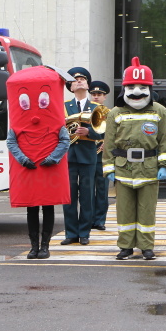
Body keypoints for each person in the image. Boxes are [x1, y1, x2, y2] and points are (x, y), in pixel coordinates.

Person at [103, 57, 166, 260]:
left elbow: (165, 142)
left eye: (142, 86)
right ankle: (125, 246)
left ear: (149, 88)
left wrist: (165, 164)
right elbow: (108, 144)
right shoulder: (115, 113)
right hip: (123, 168)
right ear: (124, 88)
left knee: (147, 211)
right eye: (131, 86)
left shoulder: (160, 111)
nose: (136, 91)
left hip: (149, 168)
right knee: (124, 210)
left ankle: (146, 246)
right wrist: (108, 168)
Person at [5, 66, 71, 260]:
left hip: (47, 166)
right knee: (31, 207)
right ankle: (34, 246)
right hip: (30, 166)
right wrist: (23, 159)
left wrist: (53, 158)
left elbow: (64, 141)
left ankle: (45, 246)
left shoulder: (57, 123)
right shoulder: (16, 124)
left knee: (48, 206)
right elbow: (11, 141)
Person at [61, 67, 102, 246]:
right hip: (68, 157)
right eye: (75, 79)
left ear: (88, 84)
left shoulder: (96, 107)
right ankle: (71, 232)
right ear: (70, 86)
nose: (79, 81)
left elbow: (103, 132)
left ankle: (84, 232)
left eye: (82, 79)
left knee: (87, 196)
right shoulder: (63, 106)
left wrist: (89, 132)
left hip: (87, 157)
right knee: (68, 197)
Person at [89, 80, 110, 231]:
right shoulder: (86, 111)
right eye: (94, 94)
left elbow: (117, 134)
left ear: (105, 97)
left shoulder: (110, 113)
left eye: (99, 94)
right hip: (89, 153)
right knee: (88, 189)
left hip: (103, 155)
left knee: (102, 190)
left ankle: (100, 220)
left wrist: (108, 144)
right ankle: (88, 218)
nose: (96, 97)